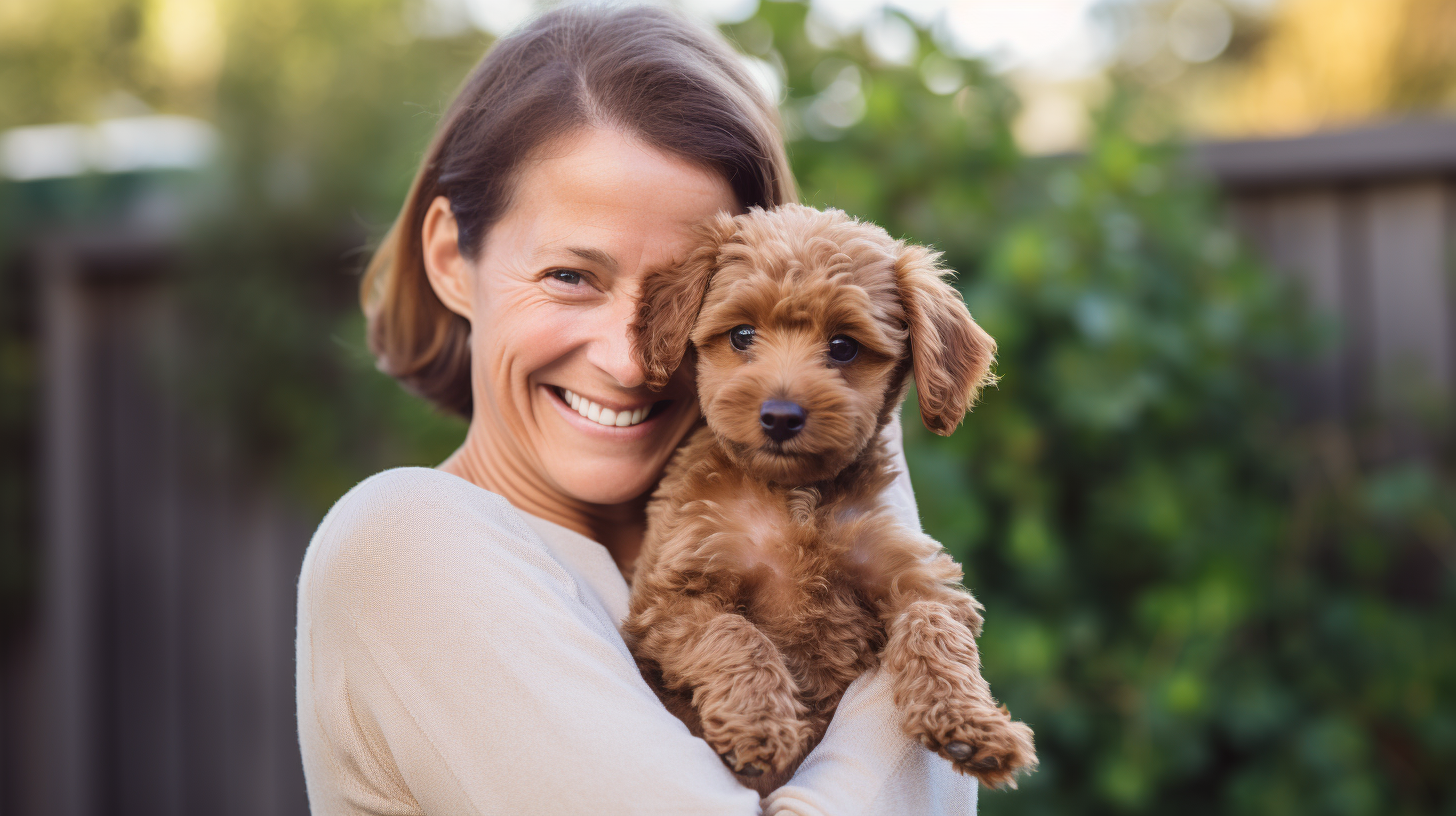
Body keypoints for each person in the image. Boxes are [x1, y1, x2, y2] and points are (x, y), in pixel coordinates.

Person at [296, 6, 979, 814]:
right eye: (570, 276)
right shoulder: (409, 543)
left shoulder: (751, 545)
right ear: (451, 259)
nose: (633, 359)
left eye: (678, 303)